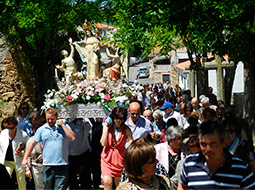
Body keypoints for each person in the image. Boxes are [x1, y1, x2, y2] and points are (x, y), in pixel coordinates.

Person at [178, 120, 255, 189]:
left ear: (223, 143)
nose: (208, 149)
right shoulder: (190, 164)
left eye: (213, 144)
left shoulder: (241, 169)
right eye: (203, 144)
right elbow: (182, 186)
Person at [22, 108, 76, 189]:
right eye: (48, 119)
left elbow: (72, 138)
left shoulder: (64, 127)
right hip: (48, 165)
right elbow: (32, 143)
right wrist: (25, 158)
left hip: (62, 164)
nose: (50, 121)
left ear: (56, 117)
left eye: (52, 119)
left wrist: (63, 126)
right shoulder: (42, 129)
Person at [100, 106, 133, 190]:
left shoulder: (126, 129)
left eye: (120, 119)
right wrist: (105, 129)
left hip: (120, 158)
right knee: (107, 182)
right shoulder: (108, 127)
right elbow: (103, 143)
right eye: (116, 118)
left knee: (119, 184)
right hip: (107, 157)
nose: (118, 121)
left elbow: (131, 143)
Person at [0, 116, 29, 190]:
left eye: (12, 128)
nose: (10, 130)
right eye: (8, 128)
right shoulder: (3, 133)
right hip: (6, 161)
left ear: (16, 126)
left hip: (19, 160)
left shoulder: (23, 134)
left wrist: (21, 153)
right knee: (5, 180)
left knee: (21, 180)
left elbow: (28, 149)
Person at [68, 118, 92, 189]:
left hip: (83, 151)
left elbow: (89, 128)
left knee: (85, 174)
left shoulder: (84, 121)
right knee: (72, 175)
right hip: (71, 153)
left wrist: (83, 119)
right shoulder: (67, 122)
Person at [25, 120, 43, 190]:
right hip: (36, 166)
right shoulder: (30, 140)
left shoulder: (47, 138)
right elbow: (28, 156)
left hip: (47, 166)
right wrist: (27, 169)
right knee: (39, 186)